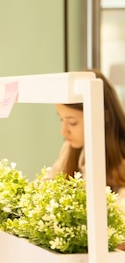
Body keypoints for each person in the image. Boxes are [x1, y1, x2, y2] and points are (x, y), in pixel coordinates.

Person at [47, 70, 125, 200]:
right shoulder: (70, 148)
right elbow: (48, 182)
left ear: (103, 116)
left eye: (72, 123)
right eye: (61, 119)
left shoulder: (121, 162)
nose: (63, 131)